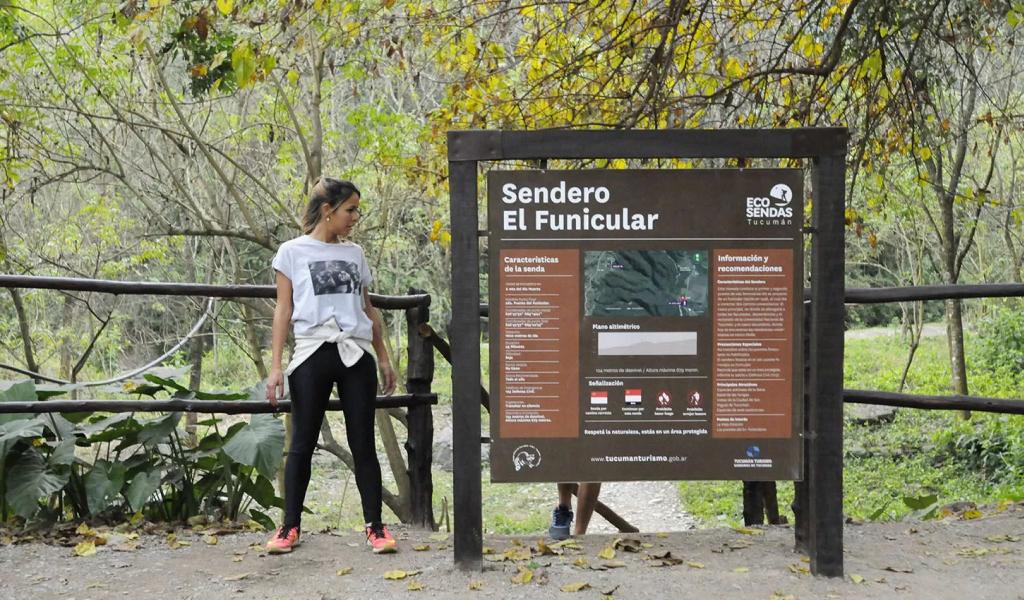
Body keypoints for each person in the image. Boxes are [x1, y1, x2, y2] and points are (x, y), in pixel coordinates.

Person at [264, 177, 398, 555]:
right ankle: (289, 527)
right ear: (328, 210)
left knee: (363, 444)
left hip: (356, 355)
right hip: (311, 353)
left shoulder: (355, 253)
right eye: (350, 209)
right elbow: (284, 309)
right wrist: (276, 367)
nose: (355, 217)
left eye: (356, 209)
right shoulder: (291, 252)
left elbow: (367, 308)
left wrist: (383, 357)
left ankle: (375, 527)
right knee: (302, 443)